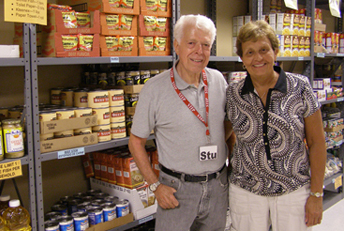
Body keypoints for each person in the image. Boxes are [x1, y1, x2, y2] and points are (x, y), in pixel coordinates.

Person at [128, 14, 232, 231]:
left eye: (205, 45)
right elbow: (136, 142)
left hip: (217, 185)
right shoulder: (155, 89)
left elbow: (225, 127)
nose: (199, 52)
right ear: (176, 45)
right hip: (176, 190)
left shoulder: (218, 80)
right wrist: (155, 186)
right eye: (191, 43)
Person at [226, 20, 327, 231]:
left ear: (276, 52)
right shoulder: (234, 94)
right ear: (242, 59)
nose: (258, 58)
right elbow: (226, 134)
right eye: (250, 52)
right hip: (246, 191)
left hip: (293, 190)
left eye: (264, 50)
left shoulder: (300, 87)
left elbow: (317, 143)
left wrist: (317, 194)